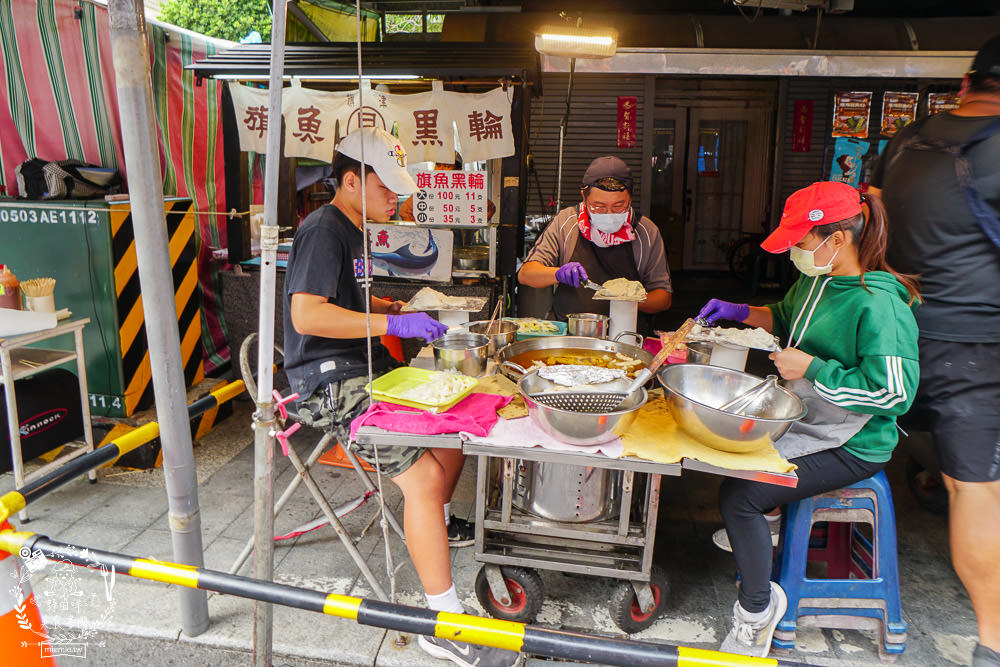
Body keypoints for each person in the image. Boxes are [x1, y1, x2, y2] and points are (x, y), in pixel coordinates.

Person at [283, 127, 521, 667]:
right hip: (331, 381)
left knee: (459, 420)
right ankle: (443, 623)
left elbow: (347, 297)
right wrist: (393, 319)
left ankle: (432, 517)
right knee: (428, 477)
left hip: (367, 367)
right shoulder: (325, 229)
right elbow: (307, 314)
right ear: (349, 180)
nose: (397, 197)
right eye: (387, 187)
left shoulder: (355, 228)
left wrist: (397, 309)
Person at [696, 181, 920, 658]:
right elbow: (784, 316)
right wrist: (740, 312)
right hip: (809, 419)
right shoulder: (817, 280)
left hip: (854, 441)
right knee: (722, 448)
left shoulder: (879, 305)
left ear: (836, 239)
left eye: (800, 242)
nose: (796, 252)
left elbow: (895, 393)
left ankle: (756, 616)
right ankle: (769, 526)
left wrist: (813, 369)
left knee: (741, 495)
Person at [869, 35, 1000, 667]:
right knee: (975, 487)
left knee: (881, 436)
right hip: (977, 342)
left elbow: (875, 216)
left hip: (899, 328)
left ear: (965, 84)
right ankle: (991, 642)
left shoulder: (907, 142)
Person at [517, 156, 672, 325]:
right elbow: (526, 274)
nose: (609, 213)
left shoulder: (646, 231)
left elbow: (663, 298)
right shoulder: (566, 222)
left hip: (625, 336)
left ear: (630, 197)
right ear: (584, 197)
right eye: (599, 206)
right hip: (570, 333)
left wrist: (628, 300)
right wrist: (557, 274)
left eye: (619, 206)